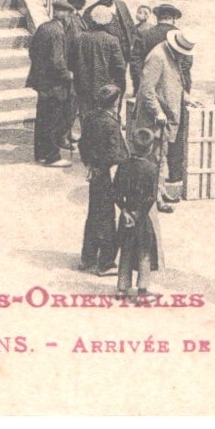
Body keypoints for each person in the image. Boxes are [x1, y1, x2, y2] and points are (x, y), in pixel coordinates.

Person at [136, 29, 194, 192]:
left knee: (161, 160)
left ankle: (159, 192)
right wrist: (157, 112)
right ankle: (153, 197)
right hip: (155, 121)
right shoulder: (157, 57)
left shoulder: (172, 55)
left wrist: (187, 97)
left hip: (166, 119)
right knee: (154, 160)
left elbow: (172, 83)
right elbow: (146, 89)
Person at [79, 84, 126, 275]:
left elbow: (82, 143)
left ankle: (88, 257)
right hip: (106, 173)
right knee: (107, 217)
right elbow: (114, 154)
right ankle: (105, 262)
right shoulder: (111, 123)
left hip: (95, 170)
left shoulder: (90, 117)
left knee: (93, 216)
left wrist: (89, 164)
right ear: (115, 103)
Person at [114, 125, 163, 298]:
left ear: (132, 145)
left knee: (125, 251)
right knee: (145, 252)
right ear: (150, 148)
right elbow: (150, 198)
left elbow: (116, 192)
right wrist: (137, 214)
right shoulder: (151, 169)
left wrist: (125, 211)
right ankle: (142, 290)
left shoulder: (123, 166)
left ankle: (122, 288)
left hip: (125, 215)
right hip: (141, 218)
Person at [27, 0, 76, 167]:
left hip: (41, 81)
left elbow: (32, 51)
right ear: (66, 16)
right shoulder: (58, 33)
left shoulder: (43, 28)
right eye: (69, 15)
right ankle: (52, 156)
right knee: (53, 119)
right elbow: (57, 61)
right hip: (54, 84)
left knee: (42, 117)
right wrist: (68, 75)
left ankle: (40, 153)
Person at [71, 4, 128, 126]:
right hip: (104, 89)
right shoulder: (112, 40)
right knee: (102, 121)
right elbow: (120, 67)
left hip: (83, 87)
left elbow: (72, 62)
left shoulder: (79, 38)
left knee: (85, 119)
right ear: (108, 22)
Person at [85, 0, 138, 90]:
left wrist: (132, 45)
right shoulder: (91, 11)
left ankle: (118, 107)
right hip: (105, 57)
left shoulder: (122, 5)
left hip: (124, 54)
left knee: (120, 83)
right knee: (107, 87)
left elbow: (131, 26)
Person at [134, 3, 182, 70]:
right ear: (172, 18)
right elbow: (186, 61)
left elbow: (136, 59)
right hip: (174, 78)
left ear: (158, 17)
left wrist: (137, 79)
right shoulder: (179, 34)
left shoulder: (145, 34)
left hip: (148, 77)